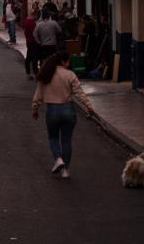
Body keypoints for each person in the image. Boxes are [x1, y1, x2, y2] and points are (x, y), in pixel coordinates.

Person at [32, 51, 96, 179]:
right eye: (68, 61)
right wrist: (89, 107)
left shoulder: (46, 74)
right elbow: (79, 93)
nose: (69, 64)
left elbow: (38, 94)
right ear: (63, 62)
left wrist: (35, 109)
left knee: (53, 138)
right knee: (66, 140)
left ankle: (58, 159)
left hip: (52, 110)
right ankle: (65, 170)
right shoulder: (70, 74)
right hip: (68, 110)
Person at [23, 9, 39, 80]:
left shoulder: (26, 20)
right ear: (34, 15)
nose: (37, 18)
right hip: (33, 41)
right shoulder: (32, 22)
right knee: (34, 58)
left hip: (28, 41)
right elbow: (34, 33)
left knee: (29, 57)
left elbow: (25, 32)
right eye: (37, 16)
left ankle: (28, 73)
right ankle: (36, 74)